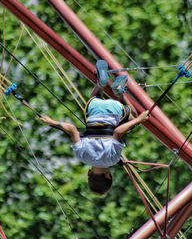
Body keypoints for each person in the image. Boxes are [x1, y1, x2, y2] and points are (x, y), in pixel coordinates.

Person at [40, 60, 149, 195]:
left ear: (108, 176)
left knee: (134, 118)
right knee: (94, 98)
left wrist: (139, 119)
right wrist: (51, 122)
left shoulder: (112, 159)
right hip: (93, 107)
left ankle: (120, 92)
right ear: (88, 173)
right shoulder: (82, 156)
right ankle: (100, 85)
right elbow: (72, 129)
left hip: (114, 110)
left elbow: (117, 132)